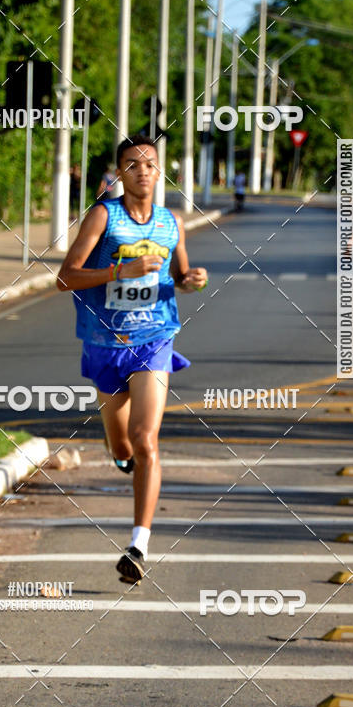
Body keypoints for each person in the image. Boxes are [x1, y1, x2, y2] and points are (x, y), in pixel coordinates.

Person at [57, 135, 208, 584]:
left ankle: (138, 544)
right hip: (105, 344)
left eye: (150, 164)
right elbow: (66, 278)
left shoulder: (170, 222)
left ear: (160, 172)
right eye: (132, 164)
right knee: (122, 446)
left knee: (146, 441)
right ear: (120, 173)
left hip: (154, 339)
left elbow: (179, 275)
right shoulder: (104, 215)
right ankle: (121, 457)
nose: (142, 171)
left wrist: (192, 280)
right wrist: (119, 271)